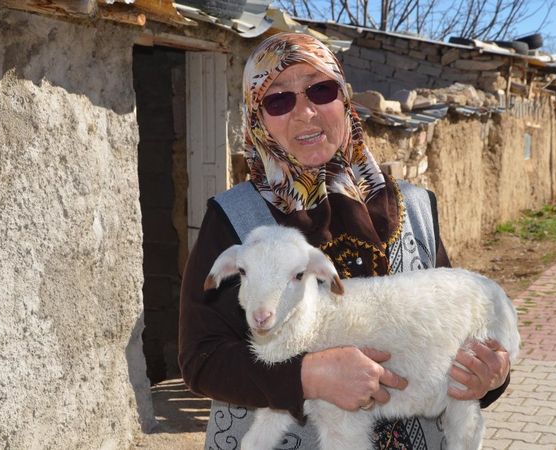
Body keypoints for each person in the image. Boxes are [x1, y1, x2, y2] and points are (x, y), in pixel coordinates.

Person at [178, 32, 511, 449]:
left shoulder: (415, 207)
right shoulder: (233, 220)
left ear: (344, 98)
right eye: (279, 100)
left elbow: (455, 330)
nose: (306, 113)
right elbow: (201, 359)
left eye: (321, 90)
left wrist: (493, 375)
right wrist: (308, 376)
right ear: (257, 117)